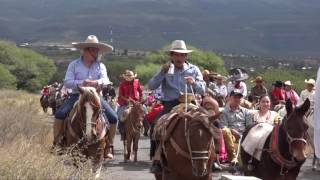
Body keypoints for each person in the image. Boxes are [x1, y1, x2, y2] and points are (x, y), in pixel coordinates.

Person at [53, 35, 118, 159]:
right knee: (60, 114)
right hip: (77, 95)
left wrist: (96, 83)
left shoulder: (101, 66)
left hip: (95, 96)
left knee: (113, 117)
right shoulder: (74, 65)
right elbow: (67, 81)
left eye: (97, 50)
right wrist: (82, 82)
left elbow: (106, 80)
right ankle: (58, 143)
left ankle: (109, 145)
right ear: (86, 50)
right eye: (94, 50)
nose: (96, 52)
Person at [148, 39, 206, 173]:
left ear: (186, 56)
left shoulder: (194, 69)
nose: (179, 58)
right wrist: (161, 72)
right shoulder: (166, 68)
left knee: (212, 124)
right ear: (171, 56)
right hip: (171, 104)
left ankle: (214, 158)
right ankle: (156, 159)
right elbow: (151, 86)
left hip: (190, 103)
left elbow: (203, 90)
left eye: (182, 55)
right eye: (176, 55)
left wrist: (194, 83)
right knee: (155, 125)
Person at [219, 89, 253, 164]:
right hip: (231, 136)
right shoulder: (224, 112)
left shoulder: (246, 112)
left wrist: (243, 135)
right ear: (230, 98)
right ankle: (233, 157)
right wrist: (232, 131)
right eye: (235, 97)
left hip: (244, 135)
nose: (237, 99)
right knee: (225, 130)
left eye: (239, 97)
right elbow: (223, 126)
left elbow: (249, 127)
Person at [117, 70, 143, 140]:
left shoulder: (137, 82)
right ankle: (122, 130)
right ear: (125, 77)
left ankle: (144, 128)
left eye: (131, 76)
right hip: (125, 103)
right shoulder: (122, 84)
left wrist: (140, 101)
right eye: (128, 76)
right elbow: (120, 95)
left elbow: (140, 92)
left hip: (136, 102)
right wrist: (127, 100)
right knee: (120, 115)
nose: (130, 78)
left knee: (144, 112)